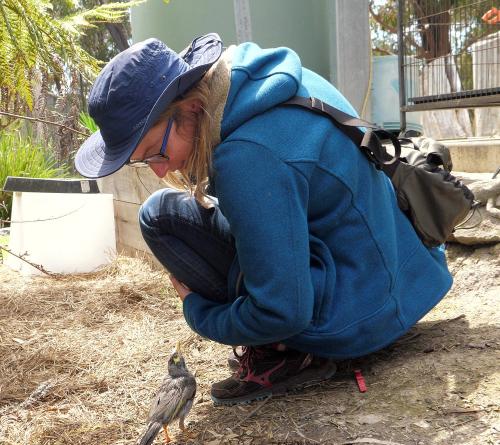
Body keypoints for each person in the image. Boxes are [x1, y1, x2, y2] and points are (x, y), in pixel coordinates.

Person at [75, 33, 452, 406]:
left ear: (190, 108)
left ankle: (287, 354)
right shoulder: (257, 81)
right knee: (160, 213)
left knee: (171, 223)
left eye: (154, 153)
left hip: (363, 314)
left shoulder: (247, 157)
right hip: (399, 273)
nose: (160, 170)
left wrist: (200, 312)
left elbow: (281, 311)